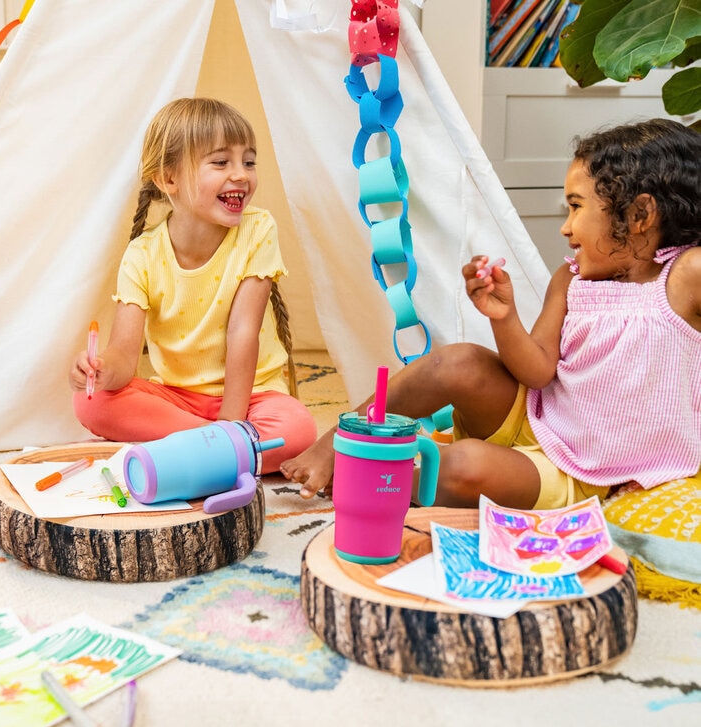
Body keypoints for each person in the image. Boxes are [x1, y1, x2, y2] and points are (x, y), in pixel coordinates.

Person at [281, 118, 701, 508]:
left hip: (578, 474)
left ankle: (364, 477)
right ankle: (342, 441)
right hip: (537, 417)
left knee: (463, 465)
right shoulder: (571, 280)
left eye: (576, 206)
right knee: (458, 360)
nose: (566, 227)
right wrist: (504, 317)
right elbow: (536, 371)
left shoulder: (685, 278)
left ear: (641, 214)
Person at [70, 98, 317, 472]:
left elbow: (243, 331)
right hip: (177, 399)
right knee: (90, 401)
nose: (241, 175)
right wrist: (102, 368)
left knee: (297, 429)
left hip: (253, 397)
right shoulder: (142, 254)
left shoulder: (258, 229)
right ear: (168, 178)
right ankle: (220, 451)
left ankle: (209, 448)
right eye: (221, 162)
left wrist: (232, 424)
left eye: (248, 162)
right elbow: (124, 352)